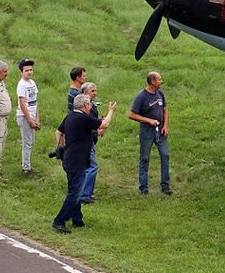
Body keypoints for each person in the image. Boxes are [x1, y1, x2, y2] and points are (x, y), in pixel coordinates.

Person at [52, 93, 116, 233]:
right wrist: (111, 111)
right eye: (90, 105)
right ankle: (59, 221)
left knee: (74, 190)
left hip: (69, 159)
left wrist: (61, 147)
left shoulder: (70, 116)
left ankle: (77, 220)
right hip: (77, 161)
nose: (91, 107)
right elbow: (104, 124)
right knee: (75, 194)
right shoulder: (82, 118)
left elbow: (58, 132)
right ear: (86, 105)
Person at [127, 71, 171, 195]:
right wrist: (149, 120)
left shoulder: (160, 94)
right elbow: (132, 115)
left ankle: (165, 185)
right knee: (145, 158)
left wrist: (166, 126)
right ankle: (143, 187)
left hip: (161, 131)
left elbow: (165, 111)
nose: (161, 81)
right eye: (159, 79)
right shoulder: (141, 96)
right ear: (152, 81)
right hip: (147, 132)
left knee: (165, 156)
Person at [78, 82, 103, 204]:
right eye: (92, 91)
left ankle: (88, 192)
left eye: (95, 90)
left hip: (91, 140)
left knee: (88, 167)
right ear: (85, 93)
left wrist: (98, 124)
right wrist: (98, 129)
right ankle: (84, 195)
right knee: (92, 167)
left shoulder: (92, 106)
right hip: (86, 142)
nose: (95, 93)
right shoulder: (85, 109)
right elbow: (86, 125)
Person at [15, 59, 40, 175]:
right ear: (21, 72)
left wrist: (37, 118)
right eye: (26, 70)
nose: (29, 72)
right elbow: (22, 103)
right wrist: (29, 119)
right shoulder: (22, 85)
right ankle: (26, 167)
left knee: (31, 142)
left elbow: (35, 101)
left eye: (30, 70)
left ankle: (27, 165)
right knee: (27, 142)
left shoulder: (32, 83)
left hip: (32, 114)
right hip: (24, 116)